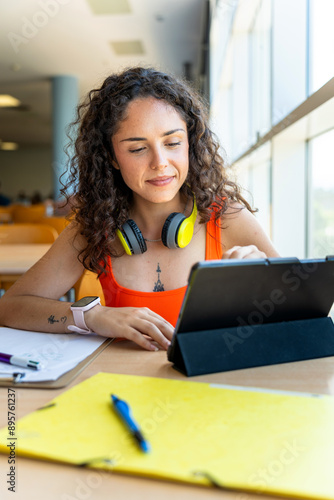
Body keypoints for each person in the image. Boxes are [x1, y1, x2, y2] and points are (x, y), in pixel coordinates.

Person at [0, 67, 279, 351]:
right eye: (137, 149)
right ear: (112, 157)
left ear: (190, 145)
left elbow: (301, 311)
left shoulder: (226, 218)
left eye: (172, 143)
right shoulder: (95, 227)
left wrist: (260, 280)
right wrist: (93, 316)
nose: (160, 162)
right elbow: (10, 307)